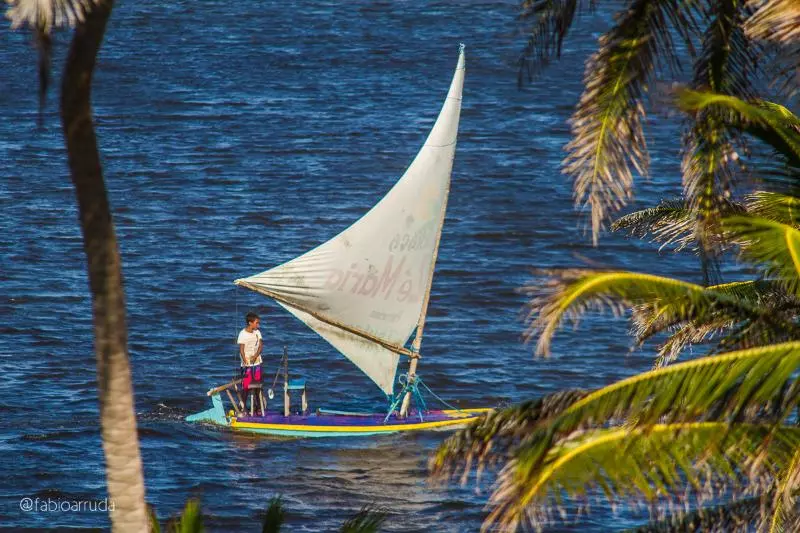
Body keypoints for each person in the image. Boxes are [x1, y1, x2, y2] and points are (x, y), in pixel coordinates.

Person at [237, 312, 263, 401]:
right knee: (246, 387)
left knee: (258, 386)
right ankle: (243, 407)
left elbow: (260, 346)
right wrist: (245, 362)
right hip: (247, 364)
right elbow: (241, 350)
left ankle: (259, 407)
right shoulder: (242, 334)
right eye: (256, 323)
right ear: (250, 323)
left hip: (257, 363)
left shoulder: (257, 332)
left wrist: (256, 356)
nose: (258, 325)